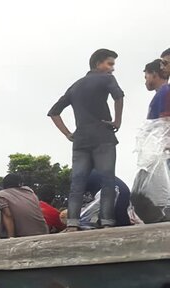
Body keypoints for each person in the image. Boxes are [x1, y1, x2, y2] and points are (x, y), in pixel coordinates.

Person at [49, 48, 125, 231]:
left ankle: (73, 223)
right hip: (102, 137)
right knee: (107, 180)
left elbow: (54, 112)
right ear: (98, 63)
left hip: (80, 139)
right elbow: (119, 96)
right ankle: (107, 222)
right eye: (110, 63)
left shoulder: (75, 85)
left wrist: (68, 133)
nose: (112, 68)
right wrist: (117, 121)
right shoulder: (106, 78)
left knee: (78, 182)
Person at [0, 174, 50, 238]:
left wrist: (11, 238)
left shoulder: (1, 195)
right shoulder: (30, 192)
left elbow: (8, 216)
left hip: (25, 235)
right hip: (44, 232)